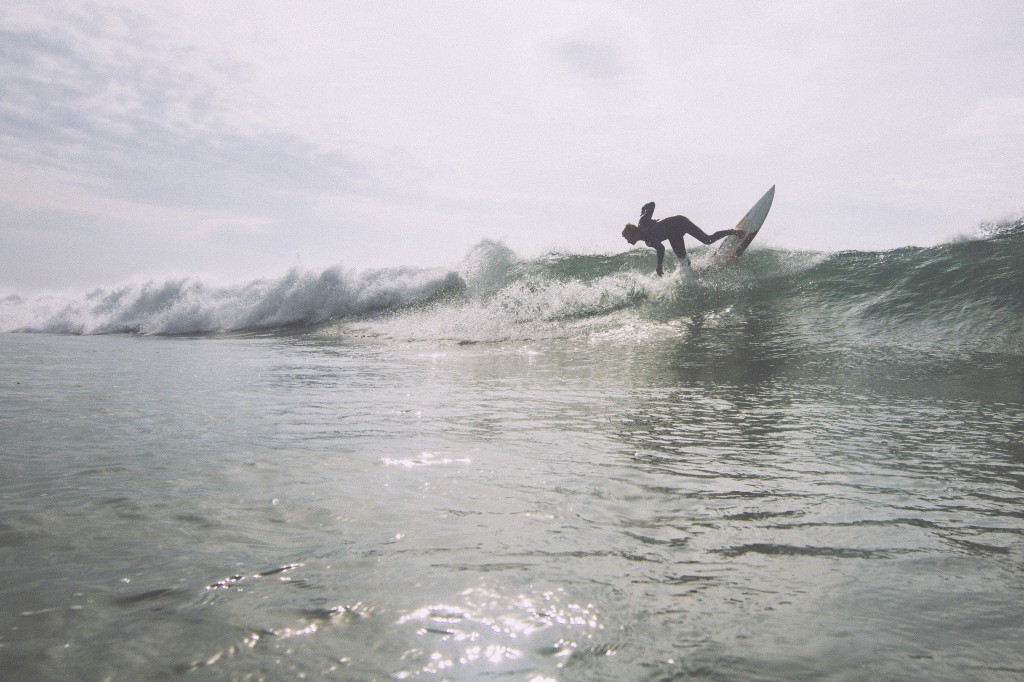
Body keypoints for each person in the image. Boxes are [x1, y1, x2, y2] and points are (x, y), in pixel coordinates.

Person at [622, 202, 745, 276]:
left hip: (679, 222)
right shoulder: (647, 241)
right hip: (673, 235)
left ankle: (732, 232)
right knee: (683, 260)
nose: (628, 241)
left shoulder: (643, 223)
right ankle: (698, 274)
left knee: (707, 240)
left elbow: (661, 248)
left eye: (628, 238)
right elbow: (660, 247)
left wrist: (659, 265)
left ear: (633, 233)